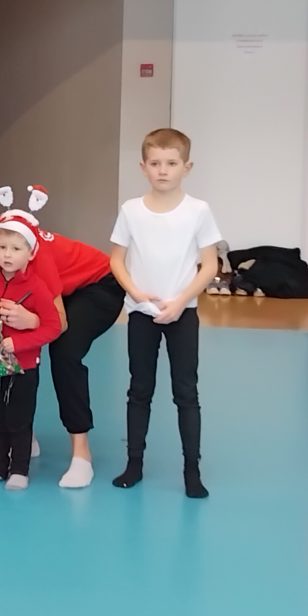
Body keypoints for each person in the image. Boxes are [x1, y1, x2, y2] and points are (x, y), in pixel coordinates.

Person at [0, 186, 123, 488]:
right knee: (1, 343)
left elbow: (58, 322)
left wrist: (32, 321)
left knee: (65, 351)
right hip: (51, 295)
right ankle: (20, 436)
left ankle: (81, 455)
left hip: (95, 284)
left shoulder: (25, 250)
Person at [108, 127, 221, 498]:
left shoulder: (198, 211)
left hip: (182, 314)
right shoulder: (131, 210)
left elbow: (210, 264)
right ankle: (134, 464)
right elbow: (116, 260)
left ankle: (192, 471)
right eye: (155, 163)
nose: (163, 170)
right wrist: (136, 293)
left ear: (187, 167)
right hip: (141, 313)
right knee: (139, 389)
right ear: (143, 167)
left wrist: (181, 300)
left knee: (186, 392)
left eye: (171, 163)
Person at [0, 213, 62, 491]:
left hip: (24, 367)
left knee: (19, 418)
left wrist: (20, 343)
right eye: (3, 247)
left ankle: (19, 469)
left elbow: (53, 326)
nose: (8, 254)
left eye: (16, 248)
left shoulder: (36, 287)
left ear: (30, 253)